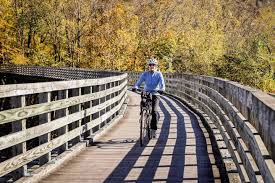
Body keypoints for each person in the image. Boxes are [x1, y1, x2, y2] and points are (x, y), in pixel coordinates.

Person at [132, 58, 165, 138]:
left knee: (154, 111)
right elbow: (139, 82)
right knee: (143, 102)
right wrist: (136, 87)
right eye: (150, 65)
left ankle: (153, 129)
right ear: (148, 66)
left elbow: (162, 84)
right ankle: (143, 114)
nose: (152, 66)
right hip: (147, 92)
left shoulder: (158, 74)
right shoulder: (145, 74)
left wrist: (162, 89)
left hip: (155, 93)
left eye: (153, 65)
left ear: (156, 66)